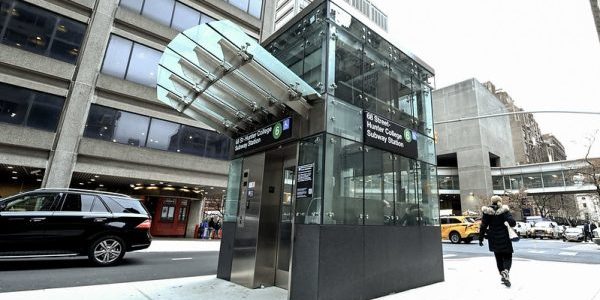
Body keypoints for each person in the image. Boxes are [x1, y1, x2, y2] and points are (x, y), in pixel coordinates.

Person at [478, 195, 517, 287]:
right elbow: (513, 223)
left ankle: (503, 273)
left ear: (492, 202)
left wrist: (480, 238)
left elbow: (483, 226)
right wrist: (505, 216)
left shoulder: (487, 212)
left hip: (493, 238)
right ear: (500, 201)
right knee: (507, 256)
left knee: (498, 257)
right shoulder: (504, 210)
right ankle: (506, 271)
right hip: (505, 237)